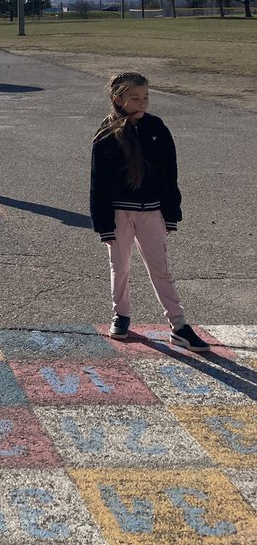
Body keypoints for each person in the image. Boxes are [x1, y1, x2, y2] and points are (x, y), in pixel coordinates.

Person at [90, 72, 209, 351]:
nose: (142, 102)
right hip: (119, 214)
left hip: (152, 213)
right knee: (120, 267)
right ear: (118, 99)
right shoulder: (106, 133)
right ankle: (121, 315)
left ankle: (178, 325)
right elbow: (98, 181)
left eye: (145, 97)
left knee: (161, 270)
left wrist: (171, 213)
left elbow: (170, 172)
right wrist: (103, 223)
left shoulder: (157, 128)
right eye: (134, 98)